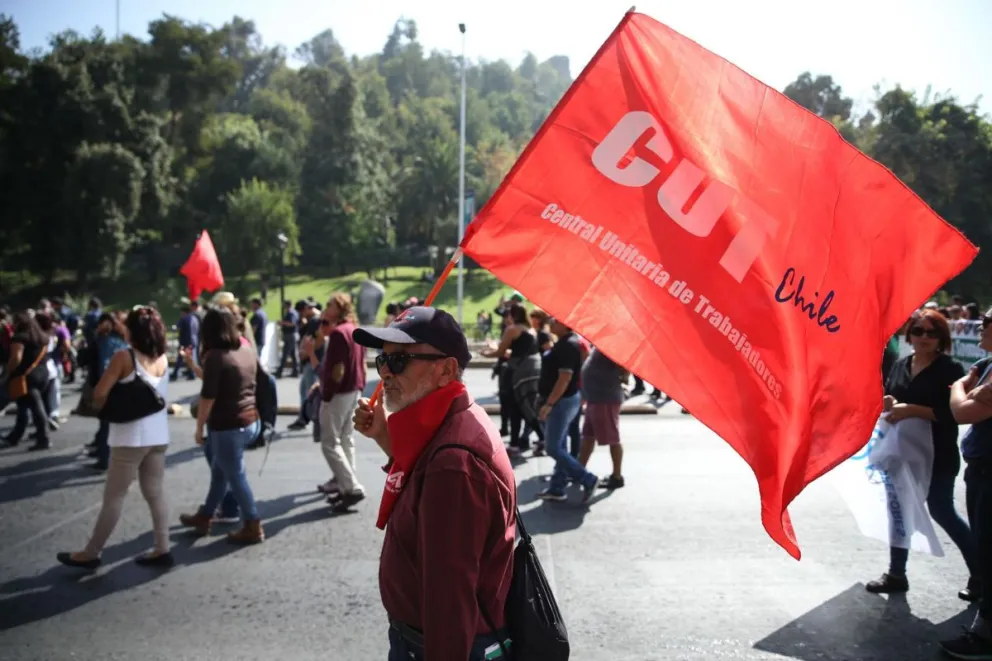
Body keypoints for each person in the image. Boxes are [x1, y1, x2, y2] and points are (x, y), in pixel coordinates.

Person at [352, 306, 516, 661]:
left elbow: (449, 599)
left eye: (400, 361)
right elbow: (421, 479)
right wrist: (383, 434)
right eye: (382, 360)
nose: (385, 373)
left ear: (446, 370)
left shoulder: (452, 466)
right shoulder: (455, 416)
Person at [865, 309, 975, 598]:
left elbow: (956, 413)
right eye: (918, 331)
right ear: (909, 334)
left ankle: (981, 576)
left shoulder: (950, 370)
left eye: (931, 332)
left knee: (941, 510)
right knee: (898, 511)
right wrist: (890, 402)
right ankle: (896, 573)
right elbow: (892, 397)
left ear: (942, 338)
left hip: (937, 454)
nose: (923, 337)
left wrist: (912, 410)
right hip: (900, 454)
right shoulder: (901, 364)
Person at [56, 306, 174, 569]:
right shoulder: (162, 358)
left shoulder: (125, 357)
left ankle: (92, 552)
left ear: (131, 331)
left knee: (114, 497)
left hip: (130, 436)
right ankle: (162, 547)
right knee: (155, 493)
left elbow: (99, 393)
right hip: (157, 435)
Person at [179, 307, 264, 544]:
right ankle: (205, 515)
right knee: (220, 472)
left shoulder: (216, 355)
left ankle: (253, 523)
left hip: (227, 425)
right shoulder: (245, 350)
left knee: (235, 476)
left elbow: (208, 396)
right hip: (249, 420)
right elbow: (214, 378)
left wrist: (199, 428)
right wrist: (191, 364)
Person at [941, 310, 992, 658]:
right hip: (980, 469)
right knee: (984, 545)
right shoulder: (987, 363)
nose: (980, 328)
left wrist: (960, 389)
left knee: (988, 551)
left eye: (986, 323)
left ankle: (985, 635)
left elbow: (963, 411)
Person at [313, 293, 367, 509]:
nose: (326, 308)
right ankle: (346, 486)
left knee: (330, 442)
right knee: (346, 439)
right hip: (354, 389)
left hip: (339, 392)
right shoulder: (354, 328)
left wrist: (327, 393)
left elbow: (337, 369)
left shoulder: (337, 333)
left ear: (340, 309)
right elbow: (361, 363)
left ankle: (351, 487)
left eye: (330, 305)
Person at [537, 317, 598, 502]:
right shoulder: (565, 343)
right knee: (560, 444)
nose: (551, 322)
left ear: (565, 324)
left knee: (553, 447)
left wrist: (549, 404)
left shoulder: (568, 345)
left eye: (555, 320)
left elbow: (564, 378)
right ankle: (557, 487)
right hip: (566, 400)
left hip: (562, 402)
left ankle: (588, 478)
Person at [2, 311, 53, 450]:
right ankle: (15, 435)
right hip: (42, 374)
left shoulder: (19, 338)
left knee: (35, 408)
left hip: (26, 377)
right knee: (25, 406)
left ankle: (43, 438)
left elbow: (16, 358)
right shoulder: (41, 337)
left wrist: (7, 373)